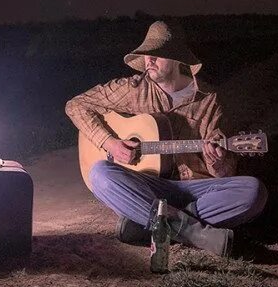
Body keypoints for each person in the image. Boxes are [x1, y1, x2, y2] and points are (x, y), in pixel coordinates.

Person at [65, 19, 267, 257]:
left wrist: (217, 160)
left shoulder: (210, 100)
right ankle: (192, 230)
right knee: (100, 174)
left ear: (177, 58)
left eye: (156, 55)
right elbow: (76, 105)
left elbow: (224, 173)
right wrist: (110, 143)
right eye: (146, 55)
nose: (148, 61)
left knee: (254, 191)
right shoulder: (134, 89)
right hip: (149, 184)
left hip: (195, 188)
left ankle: (150, 222)